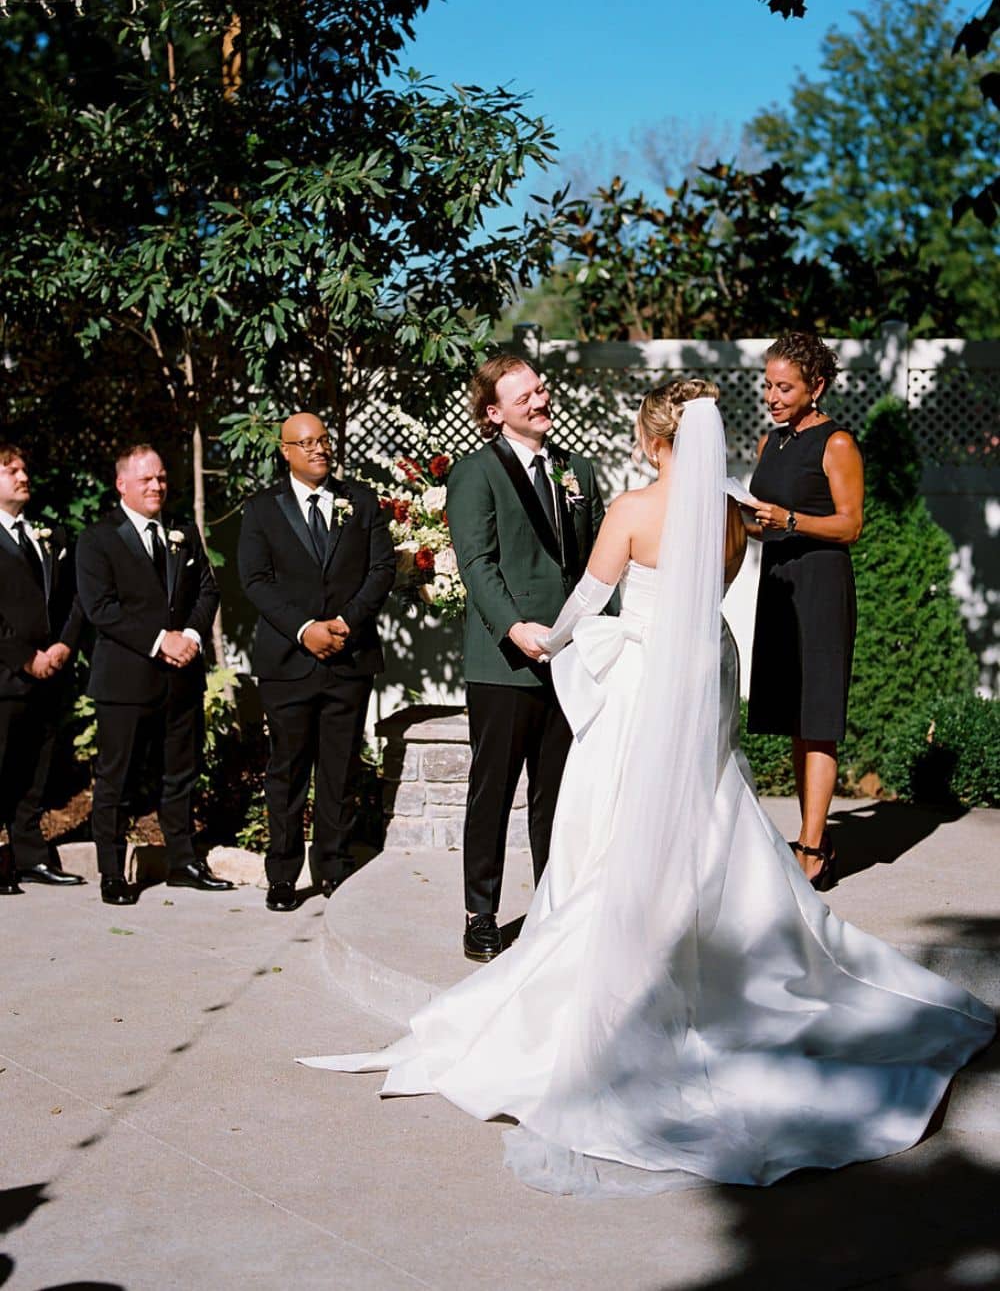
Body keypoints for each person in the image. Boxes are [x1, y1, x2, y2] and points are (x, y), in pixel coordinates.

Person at [300, 381, 994, 1194]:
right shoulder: (735, 516)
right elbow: (718, 593)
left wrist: (544, 641)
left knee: (617, 815)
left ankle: (628, 946)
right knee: (707, 806)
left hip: (640, 682)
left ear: (656, 439)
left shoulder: (631, 510)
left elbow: (586, 604)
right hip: (707, 669)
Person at [444, 355, 610, 962]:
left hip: (569, 656)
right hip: (503, 663)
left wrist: (594, 635)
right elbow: (477, 563)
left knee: (559, 793)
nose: (540, 401)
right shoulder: (475, 473)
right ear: (495, 413)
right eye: (525, 398)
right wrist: (515, 629)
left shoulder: (579, 471)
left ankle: (553, 904)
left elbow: (597, 563)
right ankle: (480, 913)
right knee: (492, 790)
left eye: (541, 389)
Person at [238, 412, 395, 913]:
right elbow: (256, 579)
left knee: (340, 768)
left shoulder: (361, 501)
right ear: (285, 451)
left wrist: (345, 622)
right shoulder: (262, 509)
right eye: (306, 443)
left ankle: (332, 865)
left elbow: (382, 568)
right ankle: (283, 874)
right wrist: (306, 630)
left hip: (349, 658)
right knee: (286, 770)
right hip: (288, 661)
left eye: (324, 440)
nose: (318, 449)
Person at [76, 444, 233, 906]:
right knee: (117, 779)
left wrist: (189, 635)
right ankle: (111, 872)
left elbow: (207, 588)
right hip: (125, 682)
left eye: (161, 477)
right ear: (122, 484)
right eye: (146, 479)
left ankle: (183, 862)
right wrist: (158, 640)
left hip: (181, 679)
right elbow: (101, 608)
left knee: (180, 774)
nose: (156, 486)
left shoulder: (183, 530)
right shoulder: (98, 538)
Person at [746, 332, 863, 890]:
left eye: (784, 386)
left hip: (820, 583)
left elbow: (850, 524)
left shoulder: (836, 442)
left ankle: (813, 849)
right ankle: (813, 834)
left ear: (816, 386)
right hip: (779, 583)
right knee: (794, 717)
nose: (771, 395)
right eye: (768, 384)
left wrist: (790, 520)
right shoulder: (773, 443)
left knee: (817, 721)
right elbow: (758, 517)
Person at [0, 444, 85, 894]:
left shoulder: (44, 536)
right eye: (10, 469)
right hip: (6, 677)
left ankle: (31, 856)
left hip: (50, 674)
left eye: (24, 467)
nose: (21, 475)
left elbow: (73, 597)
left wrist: (64, 646)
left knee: (36, 770)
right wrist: (24, 658)